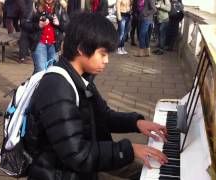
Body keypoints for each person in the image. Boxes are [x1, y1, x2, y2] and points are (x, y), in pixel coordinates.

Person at [25, 12, 168, 180]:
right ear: (82, 48)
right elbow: (76, 154)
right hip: (62, 172)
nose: (106, 61)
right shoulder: (57, 88)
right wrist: (130, 149)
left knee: (150, 170)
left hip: (86, 162)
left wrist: (136, 123)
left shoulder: (80, 77)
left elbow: (102, 116)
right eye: (103, 54)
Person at [22, 0, 69, 73]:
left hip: (54, 44)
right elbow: (24, 23)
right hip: (39, 43)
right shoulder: (35, 5)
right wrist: (38, 25)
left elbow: (67, 27)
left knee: (52, 72)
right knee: (41, 71)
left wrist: (59, 23)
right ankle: (35, 83)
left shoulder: (59, 7)